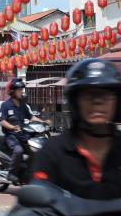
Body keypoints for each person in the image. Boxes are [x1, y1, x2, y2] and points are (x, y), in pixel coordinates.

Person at [31, 59, 121, 200]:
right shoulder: (53, 152)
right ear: (75, 102)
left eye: (105, 95)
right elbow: (36, 204)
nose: (97, 101)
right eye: (88, 95)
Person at [0, 78, 43, 184]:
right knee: (18, 151)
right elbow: (2, 121)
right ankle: (11, 173)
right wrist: (12, 127)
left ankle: (26, 172)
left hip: (23, 135)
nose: (21, 92)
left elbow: (31, 117)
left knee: (34, 150)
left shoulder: (22, 104)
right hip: (11, 136)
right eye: (19, 90)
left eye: (22, 90)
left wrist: (43, 122)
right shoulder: (6, 105)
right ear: (13, 91)